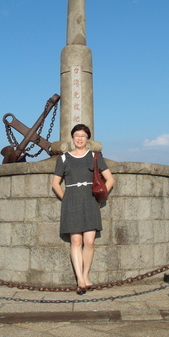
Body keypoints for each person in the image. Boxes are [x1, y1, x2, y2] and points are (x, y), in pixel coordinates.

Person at [51, 124, 115, 292]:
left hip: (90, 201)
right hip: (72, 201)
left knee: (89, 242)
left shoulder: (95, 156)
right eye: (76, 135)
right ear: (72, 138)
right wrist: (66, 199)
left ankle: (86, 274)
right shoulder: (63, 159)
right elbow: (55, 183)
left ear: (88, 138)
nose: (79, 138)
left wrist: (100, 198)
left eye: (83, 135)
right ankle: (79, 279)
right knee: (76, 241)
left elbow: (110, 180)